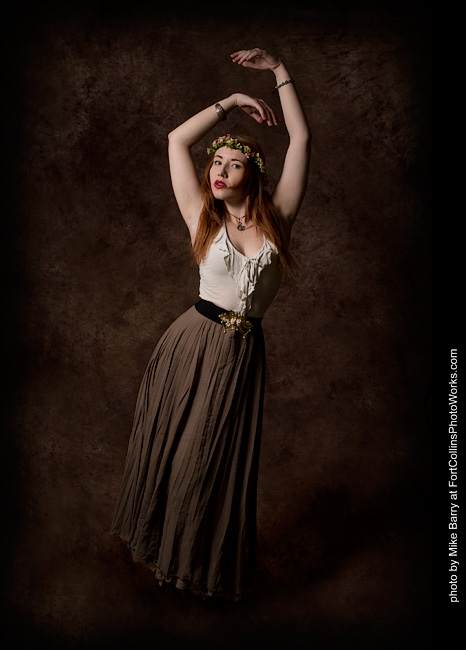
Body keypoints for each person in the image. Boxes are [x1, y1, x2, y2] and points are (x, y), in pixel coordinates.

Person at [110, 47, 311, 601]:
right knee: (179, 454)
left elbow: (301, 139)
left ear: (255, 174)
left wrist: (278, 72)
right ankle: (164, 555)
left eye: (233, 164)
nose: (219, 171)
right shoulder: (202, 216)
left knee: (214, 462)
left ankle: (198, 565)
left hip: (242, 354)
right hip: (191, 342)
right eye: (216, 163)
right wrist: (230, 101)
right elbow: (176, 140)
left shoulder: (279, 219)